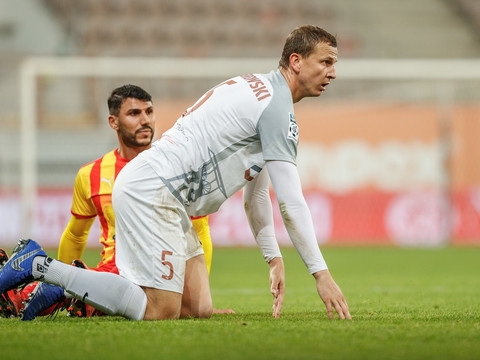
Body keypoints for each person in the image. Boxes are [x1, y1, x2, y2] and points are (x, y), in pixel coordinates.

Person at [0, 25, 351, 321]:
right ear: (296, 61)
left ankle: (50, 276)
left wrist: (273, 258)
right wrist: (321, 274)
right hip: (155, 191)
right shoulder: (275, 108)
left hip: (164, 192)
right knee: (160, 309)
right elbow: (291, 203)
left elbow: (257, 194)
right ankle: (42, 267)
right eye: (326, 62)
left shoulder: (259, 90)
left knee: (196, 308)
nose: (333, 73)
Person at [0, 84, 222, 320]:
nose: (145, 120)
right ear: (113, 122)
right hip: (117, 268)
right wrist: (56, 273)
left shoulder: (177, 167)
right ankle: (46, 286)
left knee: (194, 311)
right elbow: (76, 235)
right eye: (134, 114)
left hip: (159, 267)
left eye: (149, 111)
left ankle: (66, 290)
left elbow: (199, 232)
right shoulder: (91, 174)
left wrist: (199, 292)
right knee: (17, 305)